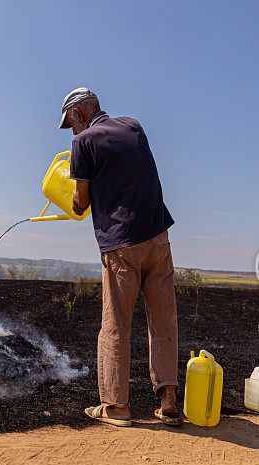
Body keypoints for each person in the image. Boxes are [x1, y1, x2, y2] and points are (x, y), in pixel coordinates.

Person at [58, 87, 181, 427]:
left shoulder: (82, 144)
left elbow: (80, 202)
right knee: (163, 319)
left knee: (116, 326)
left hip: (121, 244)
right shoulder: (133, 126)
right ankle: (169, 398)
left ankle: (116, 408)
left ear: (79, 114)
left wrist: (72, 201)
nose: (73, 131)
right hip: (158, 236)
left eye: (70, 123)